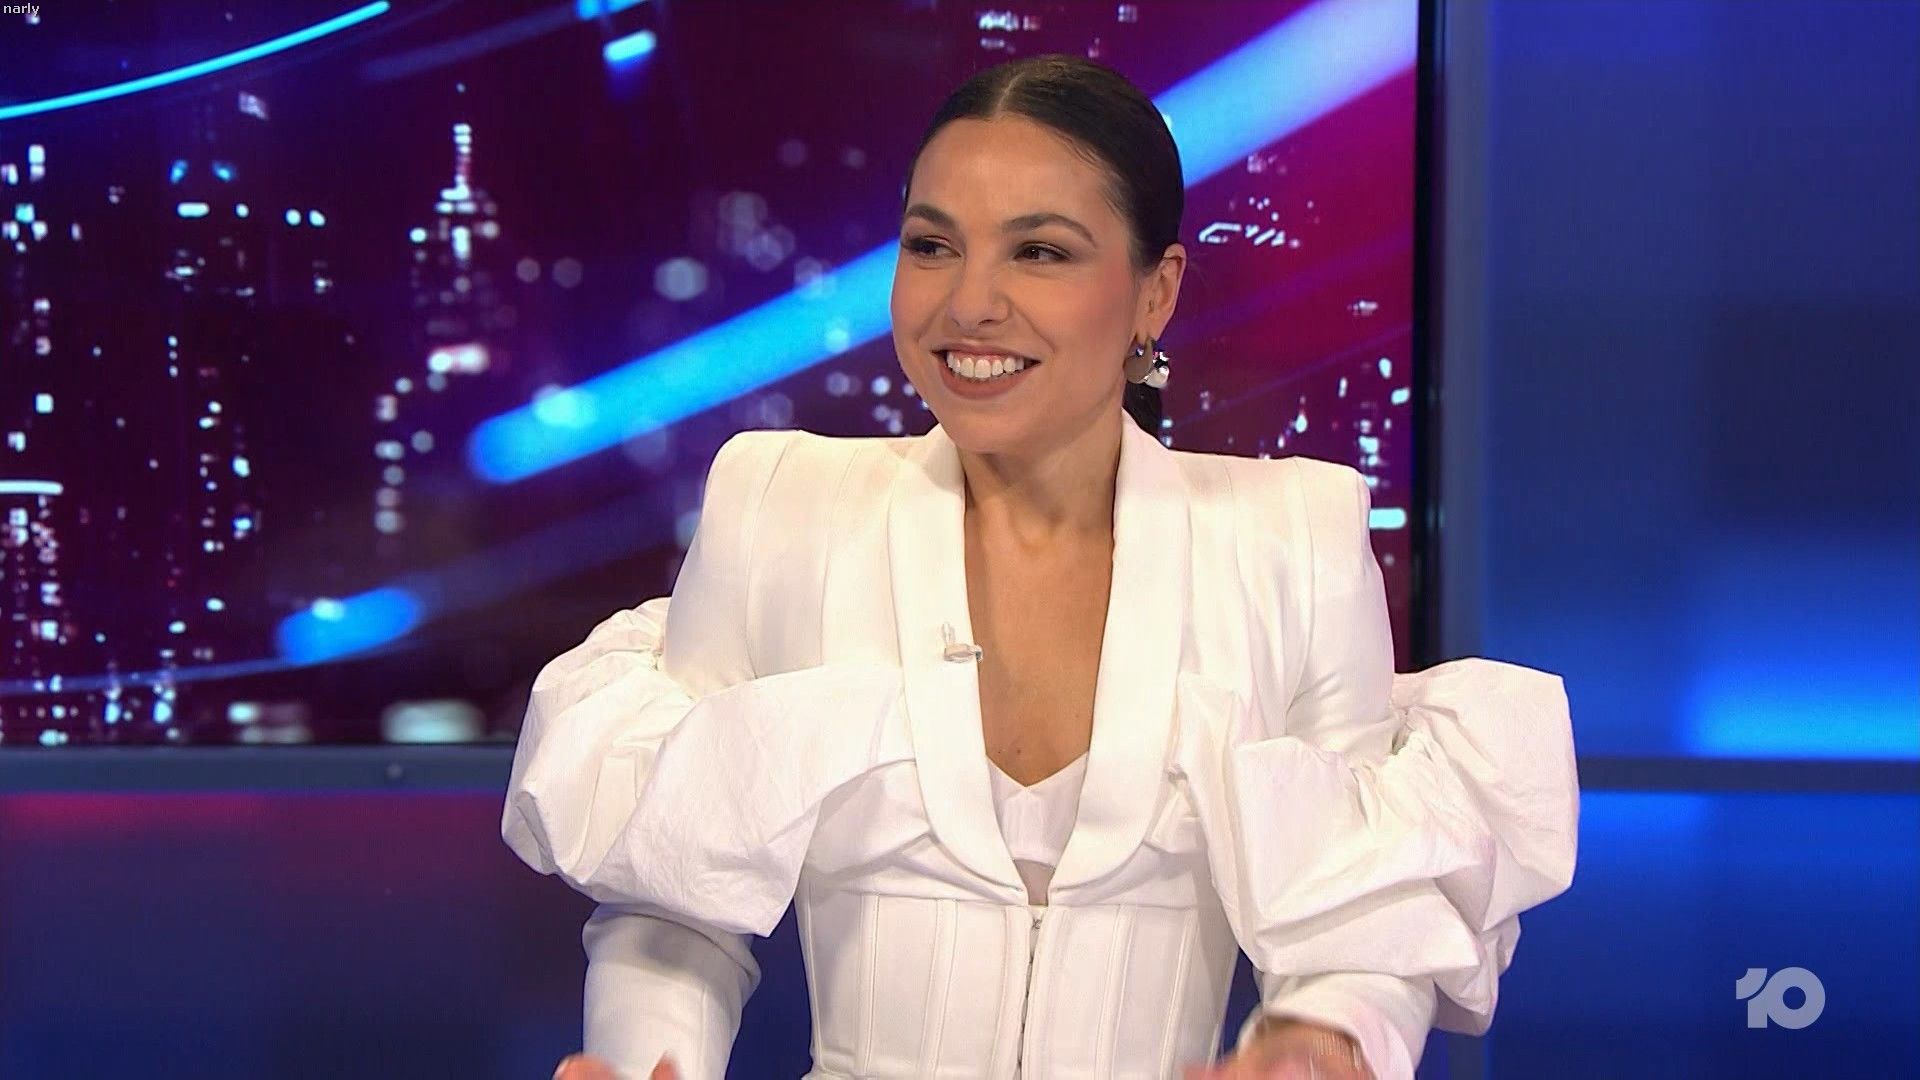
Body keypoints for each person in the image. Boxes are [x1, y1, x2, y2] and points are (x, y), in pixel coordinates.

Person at [504, 55, 1578, 1080]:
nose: (969, 302)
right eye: (932, 245)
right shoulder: (779, 506)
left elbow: (1355, 916)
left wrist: (1322, 1039)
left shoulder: (1293, 538)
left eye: (1040, 253)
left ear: (1155, 293)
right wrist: (649, 1062)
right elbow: (675, 898)